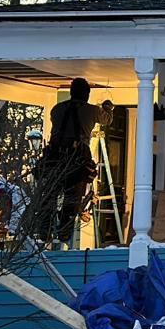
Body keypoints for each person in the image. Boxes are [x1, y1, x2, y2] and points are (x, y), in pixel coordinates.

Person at [34, 78, 110, 244]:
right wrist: (107, 108)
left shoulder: (57, 109)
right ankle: (64, 233)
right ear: (86, 94)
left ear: (71, 92)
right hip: (77, 158)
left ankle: (44, 230)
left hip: (53, 158)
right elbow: (107, 120)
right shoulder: (91, 110)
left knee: (49, 195)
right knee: (72, 198)